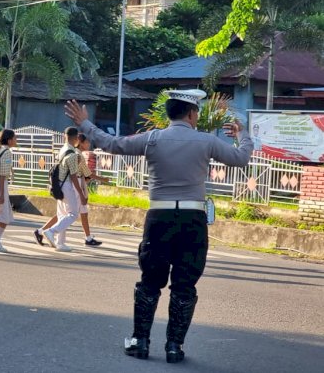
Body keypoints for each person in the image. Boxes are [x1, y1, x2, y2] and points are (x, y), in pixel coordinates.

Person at [65, 90, 252, 363]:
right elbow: (241, 158)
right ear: (191, 113)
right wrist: (242, 135)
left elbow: (112, 144)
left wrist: (84, 123)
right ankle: (174, 347)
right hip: (193, 221)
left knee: (150, 282)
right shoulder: (206, 141)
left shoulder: (152, 139)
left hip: (159, 219)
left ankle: (140, 341)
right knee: (185, 286)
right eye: (197, 112)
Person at [36, 127, 92, 252]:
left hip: (58, 185)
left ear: (64, 136)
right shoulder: (72, 154)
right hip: (66, 185)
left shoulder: (62, 149)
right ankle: (51, 231)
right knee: (72, 214)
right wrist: (81, 194)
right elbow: (73, 176)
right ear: (77, 138)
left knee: (63, 214)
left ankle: (60, 242)